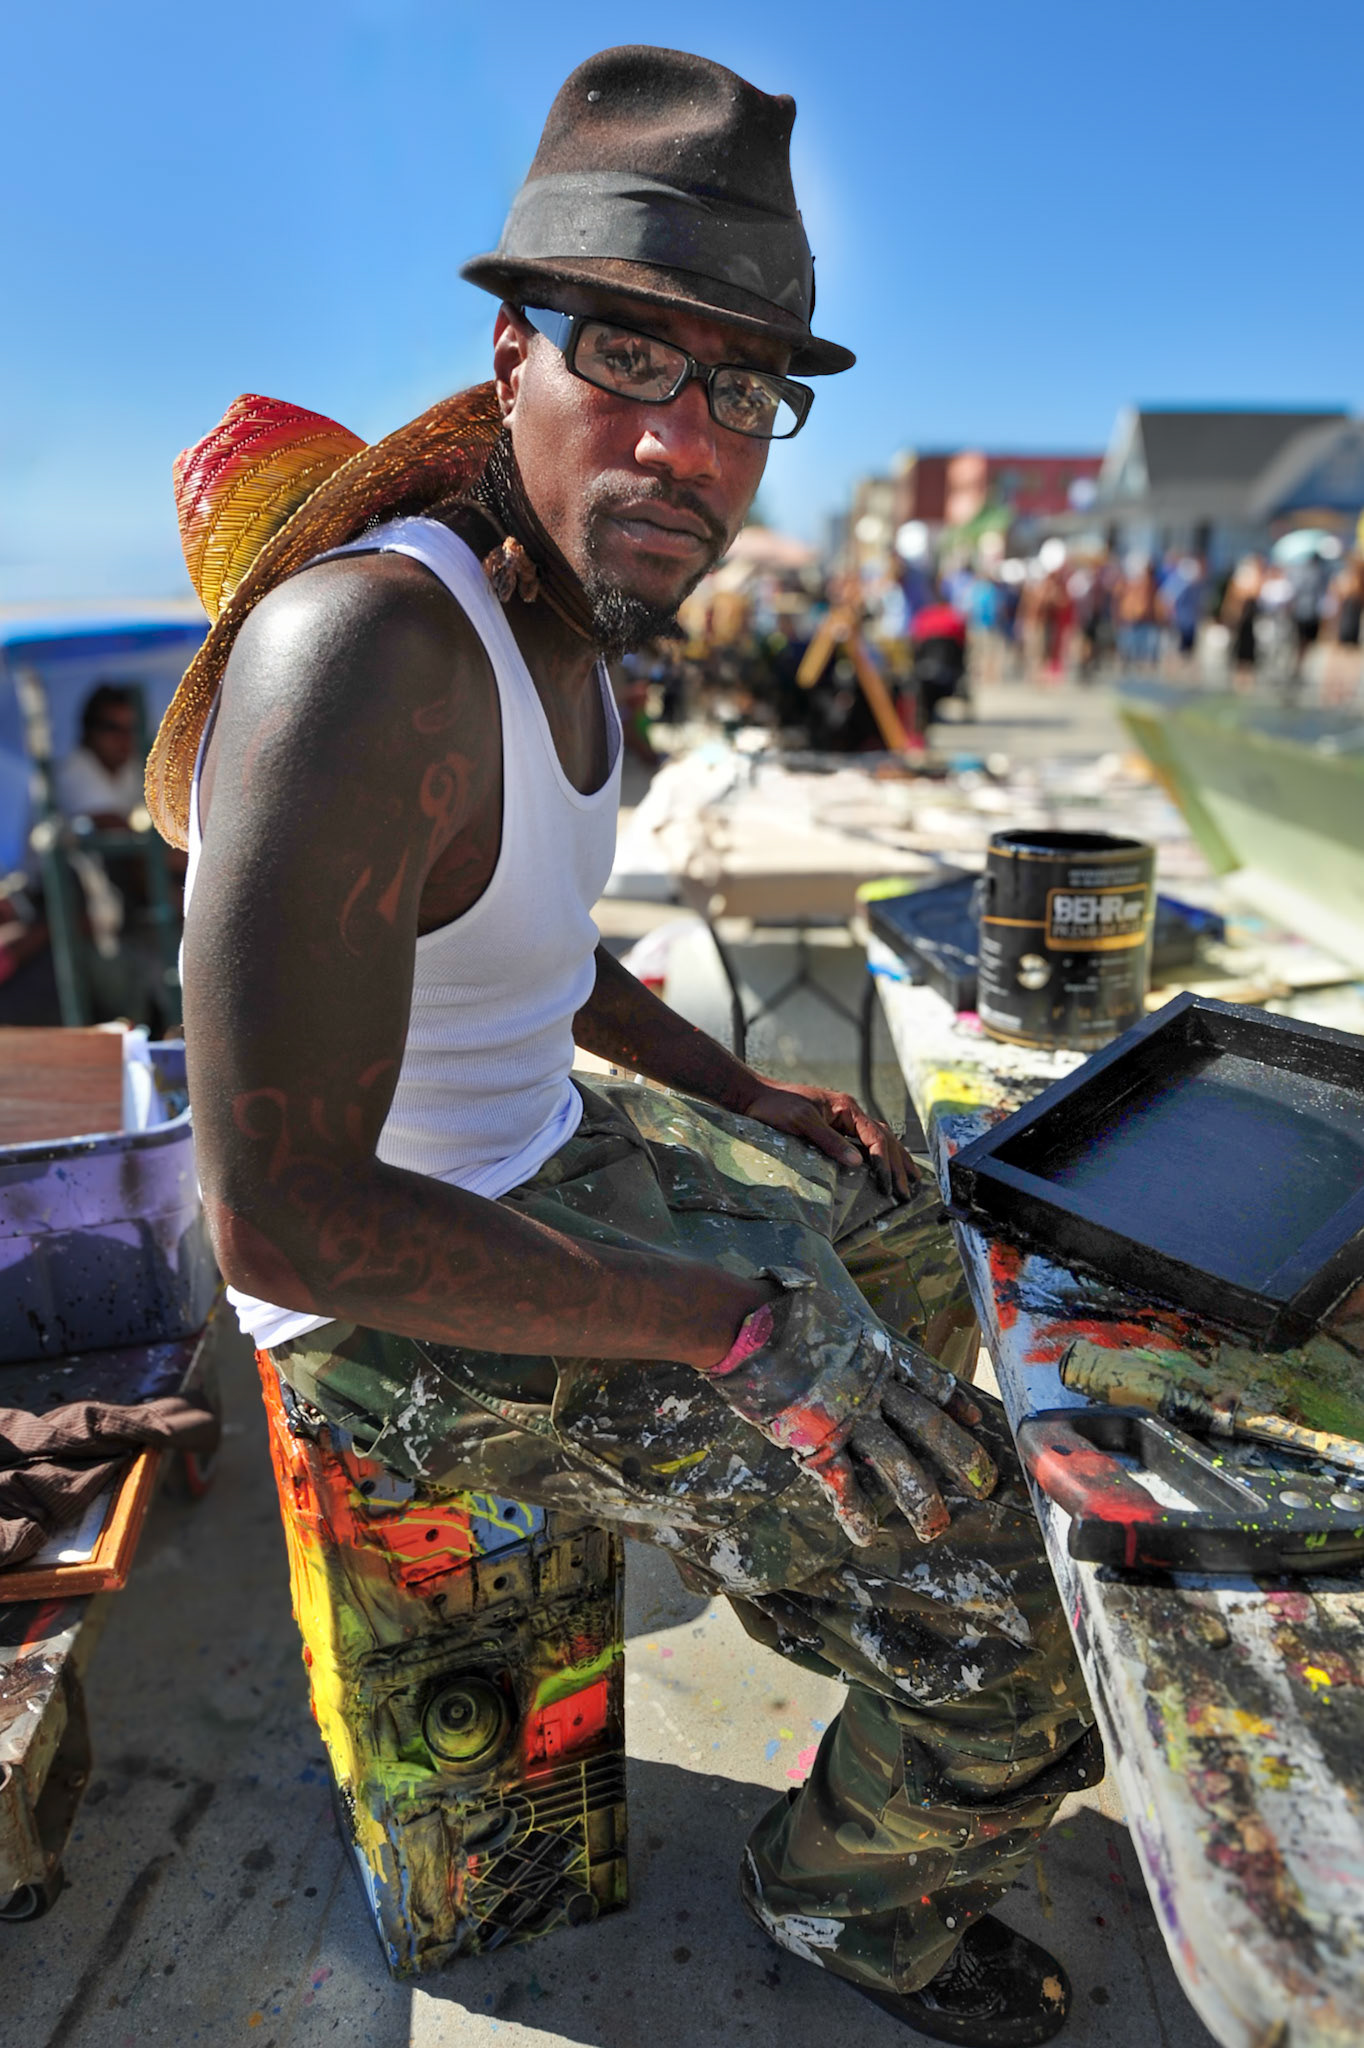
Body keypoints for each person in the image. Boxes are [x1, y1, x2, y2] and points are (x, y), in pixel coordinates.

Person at [155, 47, 1097, 2045]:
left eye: (742, 390)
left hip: (541, 1159)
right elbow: (283, 1220)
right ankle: (848, 1899)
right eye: (630, 358)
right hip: (388, 1304)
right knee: (1022, 1646)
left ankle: (843, 1510)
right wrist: (735, 1327)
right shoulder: (367, 653)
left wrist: (741, 1094)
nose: (685, 442)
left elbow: (529, 937)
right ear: (511, 352)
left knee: (922, 1240)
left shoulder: (564, 609)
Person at [55, 683, 143, 825]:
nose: (124, 738)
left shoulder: (132, 767)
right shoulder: (73, 770)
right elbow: (109, 824)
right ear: (91, 731)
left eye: (130, 729)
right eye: (113, 728)